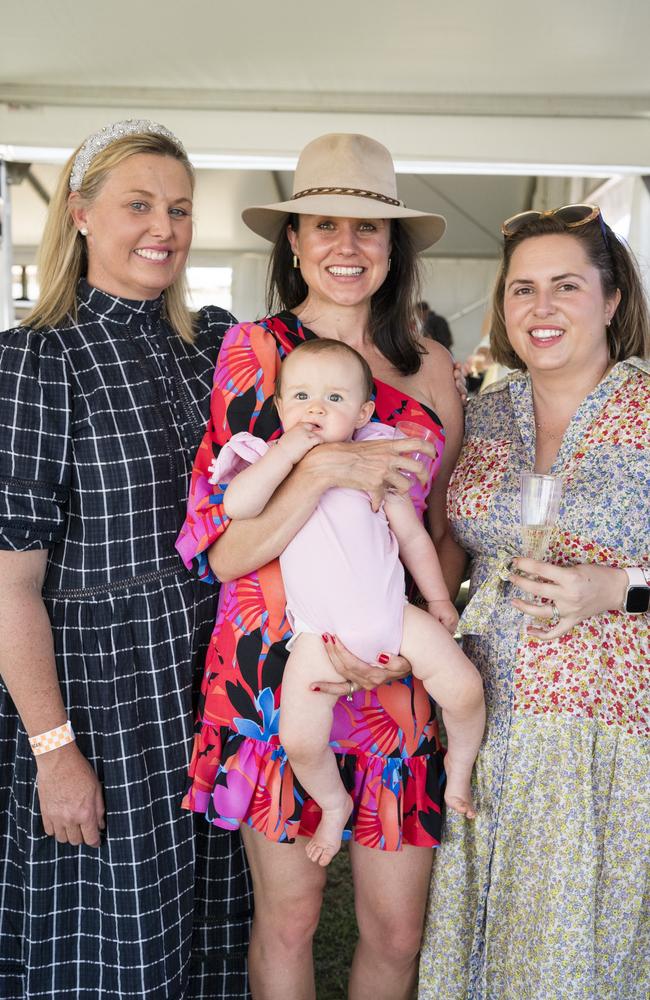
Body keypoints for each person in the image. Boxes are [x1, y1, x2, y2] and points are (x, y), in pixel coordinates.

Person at [176, 132, 467, 1000]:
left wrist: (408, 637)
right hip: (276, 666)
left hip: (396, 657)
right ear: (294, 243)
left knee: (395, 930)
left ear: (394, 248)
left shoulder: (433, 367)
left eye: (369, 230)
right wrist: (329, 467)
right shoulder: (255, 354)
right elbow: (223, 546)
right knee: (292, 919)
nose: (347, 247)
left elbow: (442, 531)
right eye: (324, 226)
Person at [0, 120, 251, 999]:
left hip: (205, 669)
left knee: (212, 921)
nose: (165, 227)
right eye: (138, 204)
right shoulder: (38, 359)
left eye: (179, 208)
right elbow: (9, 584)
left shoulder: (210, 344)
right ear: (79, 215)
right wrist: (54, 749)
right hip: (100, 688)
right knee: (115, 935)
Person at [419, 204, 650, 999]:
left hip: (606, 723)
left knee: (571, 943)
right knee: (483, 932)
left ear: (613, 298)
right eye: (522, 290)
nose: (540, 309)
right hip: (486, 709)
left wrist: (622, 588)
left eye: (565, 286)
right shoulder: (482, 411)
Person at [210, 337, 484, 866]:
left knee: (466, 690)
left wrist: (437, 600)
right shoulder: (267, 459)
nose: (316, 407)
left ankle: (461, 770)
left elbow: (414, 539)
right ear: (280, 406)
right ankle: (333, 805)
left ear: (362, 413)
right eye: (302, 396)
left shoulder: (378, 461)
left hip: (395, 620)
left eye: (334, 399)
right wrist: (290, 453)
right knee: (300, 739)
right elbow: (240, 507)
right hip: (317, 636)